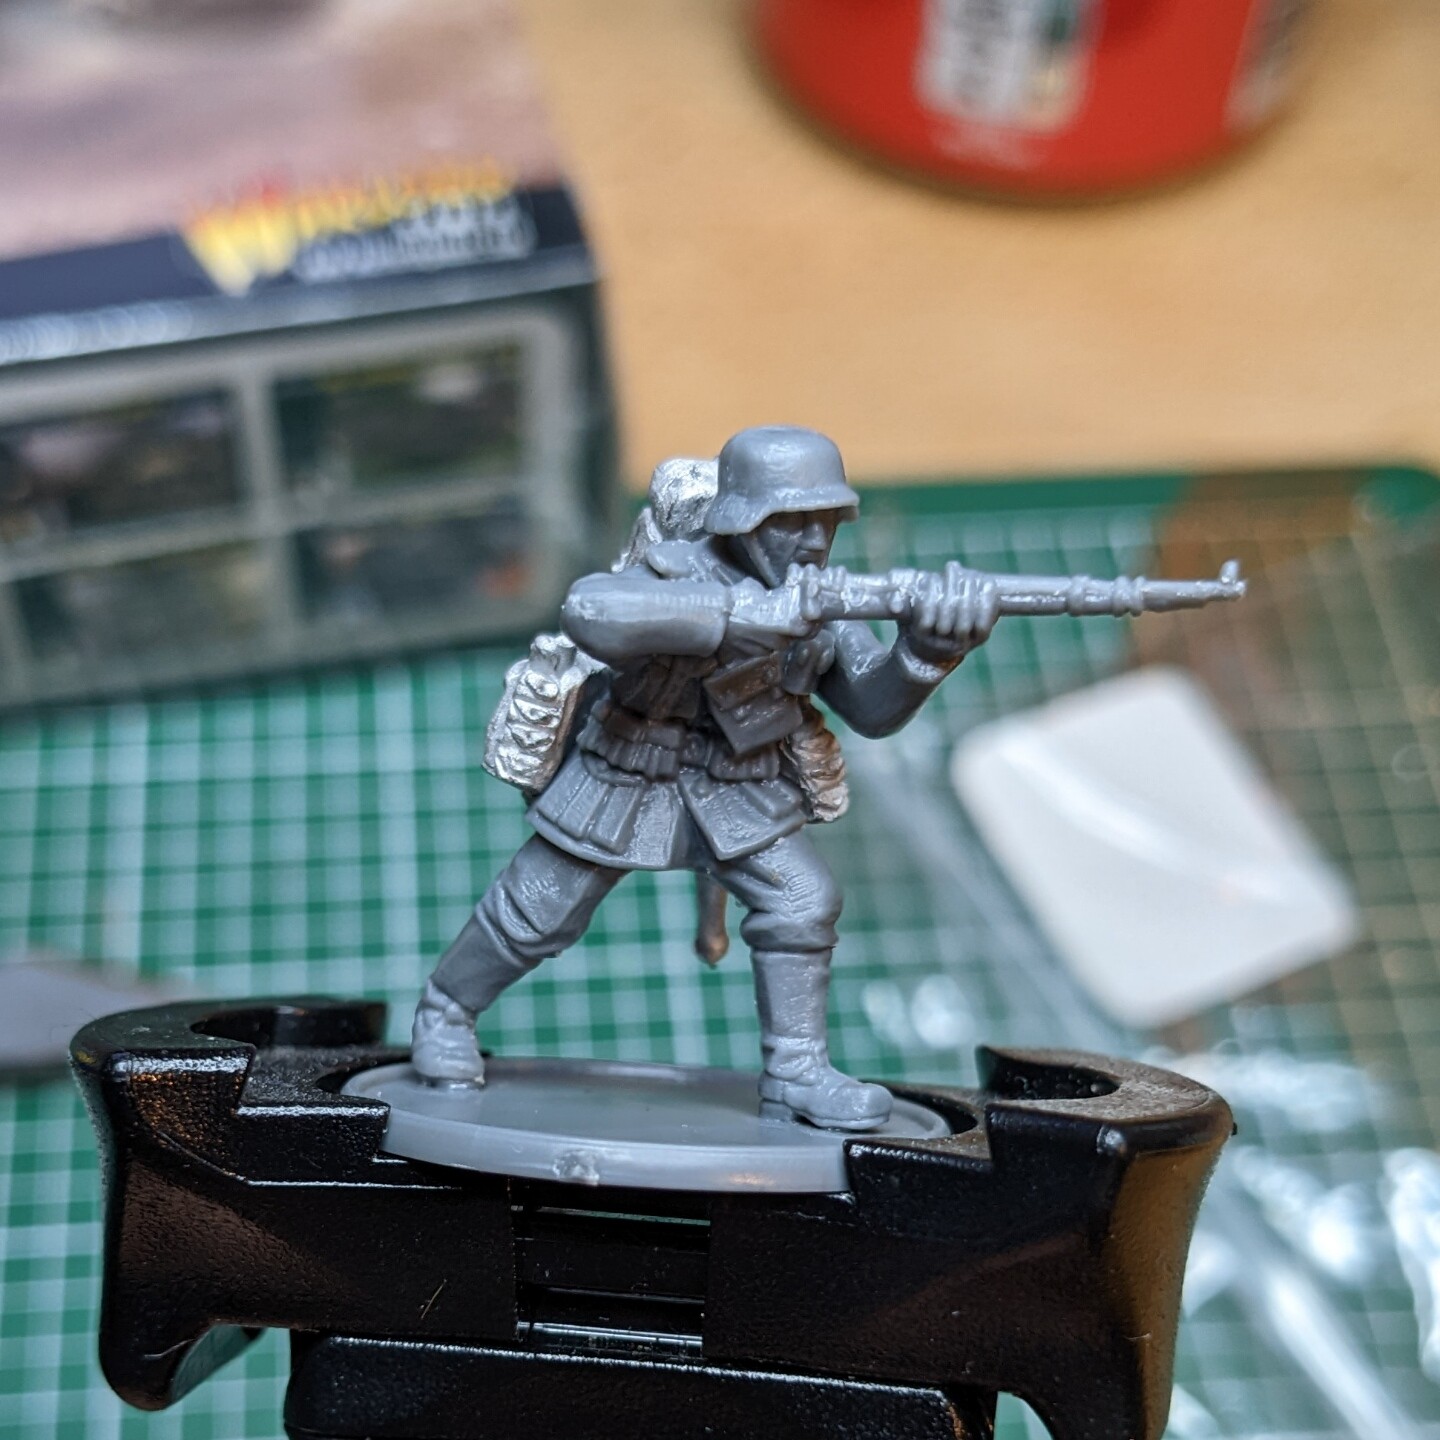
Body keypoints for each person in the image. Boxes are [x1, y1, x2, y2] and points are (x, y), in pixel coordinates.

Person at [410, 425, 998, 1129]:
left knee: (804, 900)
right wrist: (735, 617)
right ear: (740, 518)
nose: (813, 540)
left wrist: (926, 655)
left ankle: (797, 1073)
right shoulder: (671, 572)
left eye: (826, 521)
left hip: (740, 784)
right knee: (539, 907)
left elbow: (872, 711)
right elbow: (591, 611)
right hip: (628, 770)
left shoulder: (821, 600)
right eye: (791, 521)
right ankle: (445, 1011)